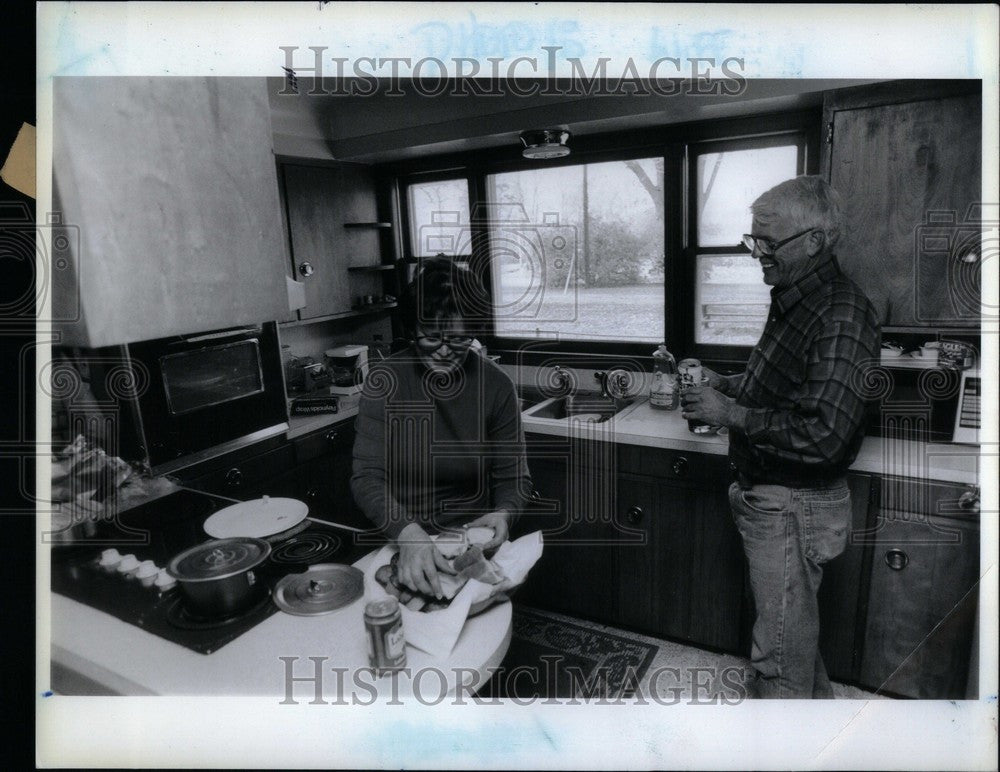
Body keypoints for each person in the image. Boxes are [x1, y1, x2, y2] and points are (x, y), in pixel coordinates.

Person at [680, 175, 880, 698]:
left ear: (815, 240)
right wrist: (728, 385)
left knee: (778, 655)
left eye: (769, 243)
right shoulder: (795, 296)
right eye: (753, 240)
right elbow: (783, 384)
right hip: (779, 501)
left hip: (796, 505)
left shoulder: (841, 311)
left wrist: (730, 413)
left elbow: (825, 436)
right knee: (792, 641)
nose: (757, 254)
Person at [351, 256, 532, 600]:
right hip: (402, 538)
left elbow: (514, 479)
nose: (446, 351)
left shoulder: (496, 387)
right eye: (432, 337)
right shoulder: (385, 380)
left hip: (469, 545)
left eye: (460, 339)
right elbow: (366, 478)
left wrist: (505, 512)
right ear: (411, 330)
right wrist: (408, 534)